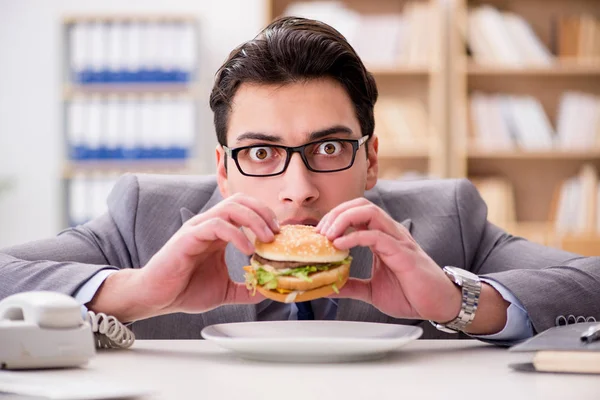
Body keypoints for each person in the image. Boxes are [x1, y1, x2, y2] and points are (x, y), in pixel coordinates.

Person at [1, 17, 598, 343]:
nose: (299, 188)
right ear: (223, 169)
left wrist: (461, 302)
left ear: (371, 159)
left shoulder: (448, 217)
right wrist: (136, 293)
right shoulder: (143, 216)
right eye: (260, 152)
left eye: (330, 147)